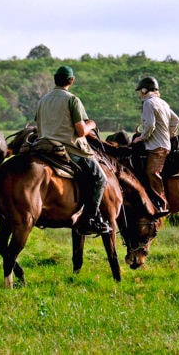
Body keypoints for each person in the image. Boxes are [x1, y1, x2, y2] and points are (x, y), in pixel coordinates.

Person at [34, 65, 113, 236]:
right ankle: (90, 220)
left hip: (44, 146)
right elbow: (81, 131)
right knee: (100, 178)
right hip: (70, 149)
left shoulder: (42, 100)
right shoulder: (72, 99)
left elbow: (38, 127)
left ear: (55, 79)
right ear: (71, 81)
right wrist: (92, 124)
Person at [131, 76, 179, 216]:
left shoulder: (148, 103)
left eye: (140, 90)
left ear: (145, 90)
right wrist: (169, 134)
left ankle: (161, 204)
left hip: (156, 146)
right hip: (164, 143)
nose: (140, 93)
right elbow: (176, 121)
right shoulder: (163, 103)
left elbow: (150, 125)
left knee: (152, 172)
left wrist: (142, 137)